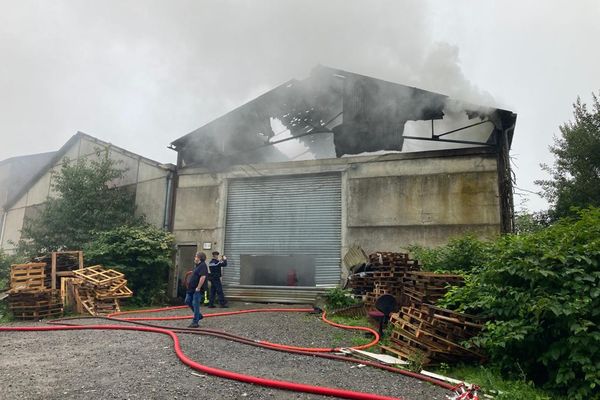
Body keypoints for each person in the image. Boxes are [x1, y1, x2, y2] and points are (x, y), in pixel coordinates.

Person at [184, 252, 209, 328]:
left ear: (199, 258)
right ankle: (199, 315)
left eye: (196, 256)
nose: (194, 258)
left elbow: (203, 277)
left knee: (195, 304)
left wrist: (198, 288)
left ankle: (195, 322)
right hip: (191, 289)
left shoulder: (203, 266)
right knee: (187, 301)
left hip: (197, 290)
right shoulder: (197, 266)